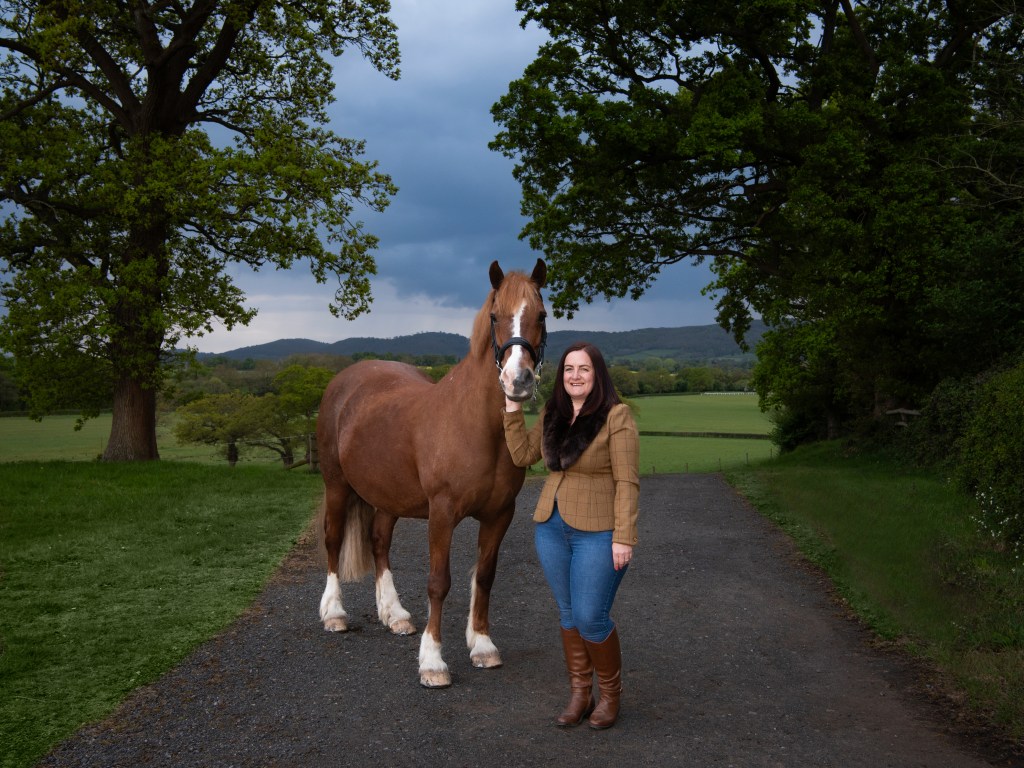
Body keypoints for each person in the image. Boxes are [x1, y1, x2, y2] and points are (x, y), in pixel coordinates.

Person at [502, 341, 640, 729]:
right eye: (568, 369)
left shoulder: (617, 416)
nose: (575, 375)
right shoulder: (554, 413)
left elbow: (628, 482)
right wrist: (512, 406)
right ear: (560, 377)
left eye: (583, 369)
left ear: (597, 375)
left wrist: (624, 536)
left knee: (589, 616)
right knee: (567, 614)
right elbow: (522, 455)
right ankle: (581, 693)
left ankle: (611, 696)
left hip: (600, 531)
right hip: (551, 525)